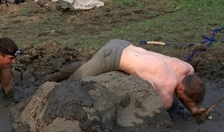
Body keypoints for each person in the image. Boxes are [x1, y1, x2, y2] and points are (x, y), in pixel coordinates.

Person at [69, 39, 206, 116]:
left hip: (124, 45)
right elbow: (155, 112)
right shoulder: (167, 91)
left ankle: (78, 66)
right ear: (181, 89)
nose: (183, 100)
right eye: (185, 99)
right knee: (74, 82)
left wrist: (194, 109)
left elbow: (187, 91)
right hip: (111, 56)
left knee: (89, 67)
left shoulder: (187, 68)